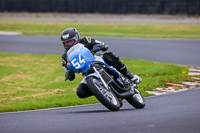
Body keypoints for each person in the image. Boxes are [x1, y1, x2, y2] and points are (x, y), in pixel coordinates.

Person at [61, 28, 141, 98]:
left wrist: (101, 46)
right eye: (66, 42)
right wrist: (69, 74)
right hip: (88, 73)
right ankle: (103, 93)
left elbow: (100, 43)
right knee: (80, 92)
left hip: (98, 60)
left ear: (76, 38)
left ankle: (130, 76)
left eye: (70, 41)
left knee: (109, 56)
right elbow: (68, 72)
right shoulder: (65, 56)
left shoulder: (85, 40)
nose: (68, 44)